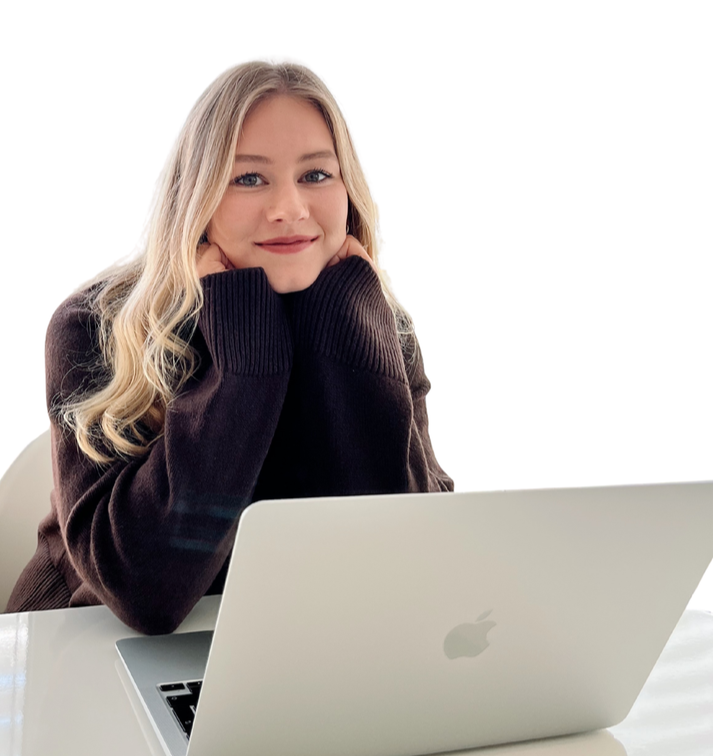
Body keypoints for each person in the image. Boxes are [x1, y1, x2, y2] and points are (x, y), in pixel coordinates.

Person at [6, 61, 453, 633]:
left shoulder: (375, 322)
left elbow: (412, 557)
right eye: (248, 178)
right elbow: (145, 591)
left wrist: (348, 335)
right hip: (80, 649)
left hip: (283, 647)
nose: (290, 207)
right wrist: (245, 370)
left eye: (316, 174)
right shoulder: (96, 325)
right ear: (196, 198)